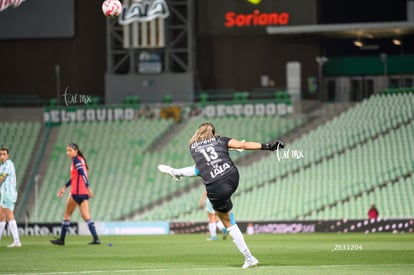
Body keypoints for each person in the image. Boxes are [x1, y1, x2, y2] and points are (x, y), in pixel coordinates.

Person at [188, 122, 284, 269]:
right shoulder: (221, 140)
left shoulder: (193, 147)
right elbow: (243, 146)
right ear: (213, 132)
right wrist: (268, 146)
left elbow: (202, 167)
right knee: (226, 216)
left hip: (216, 185)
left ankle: (249, 257)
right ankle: (175, 172)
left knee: (228, 222)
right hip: (232, 177)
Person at [158, 164, 228, 241]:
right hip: (218, 199)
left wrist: (202, 199)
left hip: (210, 199)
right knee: (215, 217)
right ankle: (223, 228)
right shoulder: (221, 179)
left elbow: (208, 190)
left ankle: (213, 236)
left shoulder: (211, 177)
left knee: (211, 217)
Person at [50, 143, 100, 245]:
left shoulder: (76, 160)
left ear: (76, 150)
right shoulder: (81, 160)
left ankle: (61, 240)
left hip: (76, 192)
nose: (68, 153)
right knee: (86, 216)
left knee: (67, 214)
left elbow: (81, 173)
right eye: (67, 150)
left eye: (70, 150)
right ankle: (96, 239)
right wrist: (64, 187)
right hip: (83, 193)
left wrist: (88, 187)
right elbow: (75, 177)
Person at [0, 147, 21, 248]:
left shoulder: (8, 164)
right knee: (2, 217)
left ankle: (17, 241)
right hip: (5, 193)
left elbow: (2, 177)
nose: (2, 156)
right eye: (0, 154)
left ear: (7, 156)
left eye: (4, 154)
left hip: (9, 193)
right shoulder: (2, 166)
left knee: (9, 215)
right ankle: (16, 241)